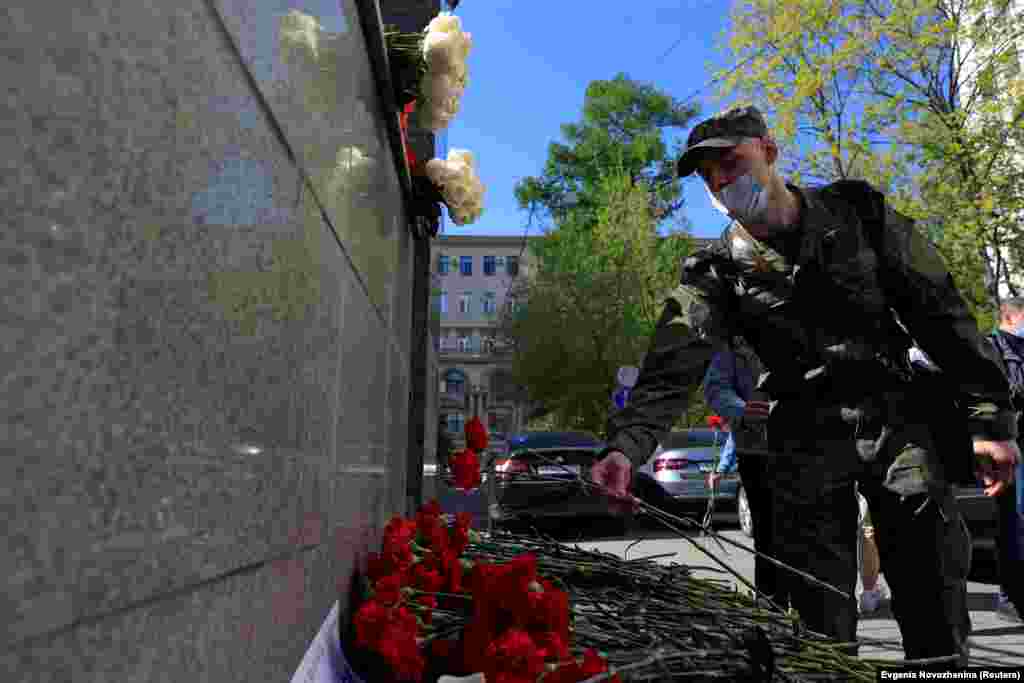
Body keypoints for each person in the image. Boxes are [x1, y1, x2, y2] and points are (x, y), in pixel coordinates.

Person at [589, 105, 1020, 667]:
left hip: (897, 420)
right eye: (708, 175)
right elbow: (674, 362)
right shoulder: (716, 269)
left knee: (934, 603)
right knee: (813, 633)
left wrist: (989, 420)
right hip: (801, 442)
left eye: (730, 161)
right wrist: (627, 447)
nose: (721, 181)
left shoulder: (858, 214)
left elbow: (938, 312)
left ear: (769, 151)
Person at [701, 347, 781, 606]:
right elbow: (716, 389)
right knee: (768, 534)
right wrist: (743, 410)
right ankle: (770, 601)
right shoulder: (736, 348)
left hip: (808, 452)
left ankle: (812, 603)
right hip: (758, 455)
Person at [989, 297, 1024, 622]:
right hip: (1008, 448)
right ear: (1010, 316)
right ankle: (1010, 596)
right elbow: (987, 400)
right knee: (1013, 524)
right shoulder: (991, 347)